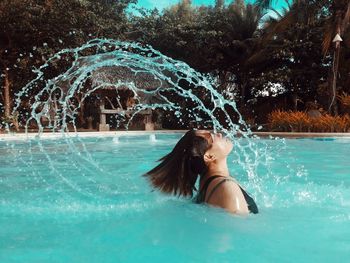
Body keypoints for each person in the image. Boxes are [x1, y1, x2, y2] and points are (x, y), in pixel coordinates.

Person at [144, 130, 258, 215]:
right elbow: (239, 235)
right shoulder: (227, 187)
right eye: (213, 138)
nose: (219, 134)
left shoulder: (206, 184)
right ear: (209, 156)